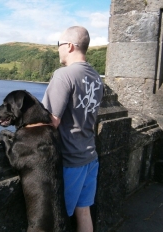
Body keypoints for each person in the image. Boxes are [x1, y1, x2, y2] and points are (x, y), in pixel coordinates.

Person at [42, 26, 103, 232]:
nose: (57, 50)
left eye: (58, 45)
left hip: (70, 161)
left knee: (54, 219)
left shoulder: (64, 75)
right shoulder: (96, 77)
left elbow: (50, 121)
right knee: (84, 212)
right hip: (90, 157)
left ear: (69, 46)